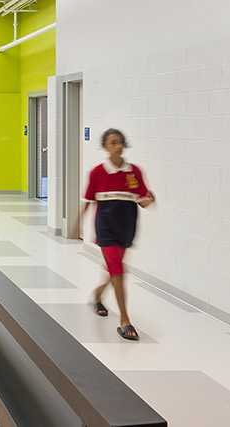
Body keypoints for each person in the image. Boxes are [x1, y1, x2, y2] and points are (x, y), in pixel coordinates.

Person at [75, 129, 154, 341]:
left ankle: (98, 296)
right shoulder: (97, 173)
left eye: (120, 142)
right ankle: (125, 321)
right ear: (105, 147)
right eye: (113, 142)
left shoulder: (134, 172)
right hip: (106, 228)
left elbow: (142, 201)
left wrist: (149, 200)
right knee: (118, 272)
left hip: (127, 228)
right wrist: (78, 223)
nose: (118, 146)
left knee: (114, 270)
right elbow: (89, 201)